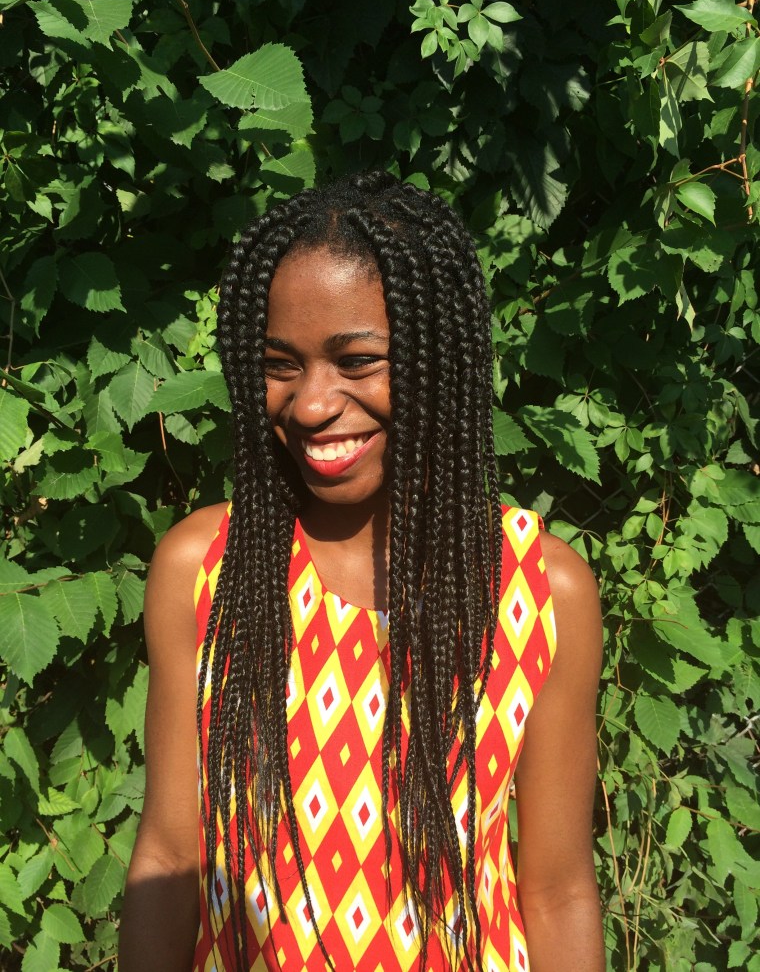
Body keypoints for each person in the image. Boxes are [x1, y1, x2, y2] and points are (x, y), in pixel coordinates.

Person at [119, 171, 605, 972]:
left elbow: (557, 892)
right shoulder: (203, 574)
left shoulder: (539, 593)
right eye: (282, 363)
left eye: (357, 360)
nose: (312, 403)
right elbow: (169, 859)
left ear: (439, 357)